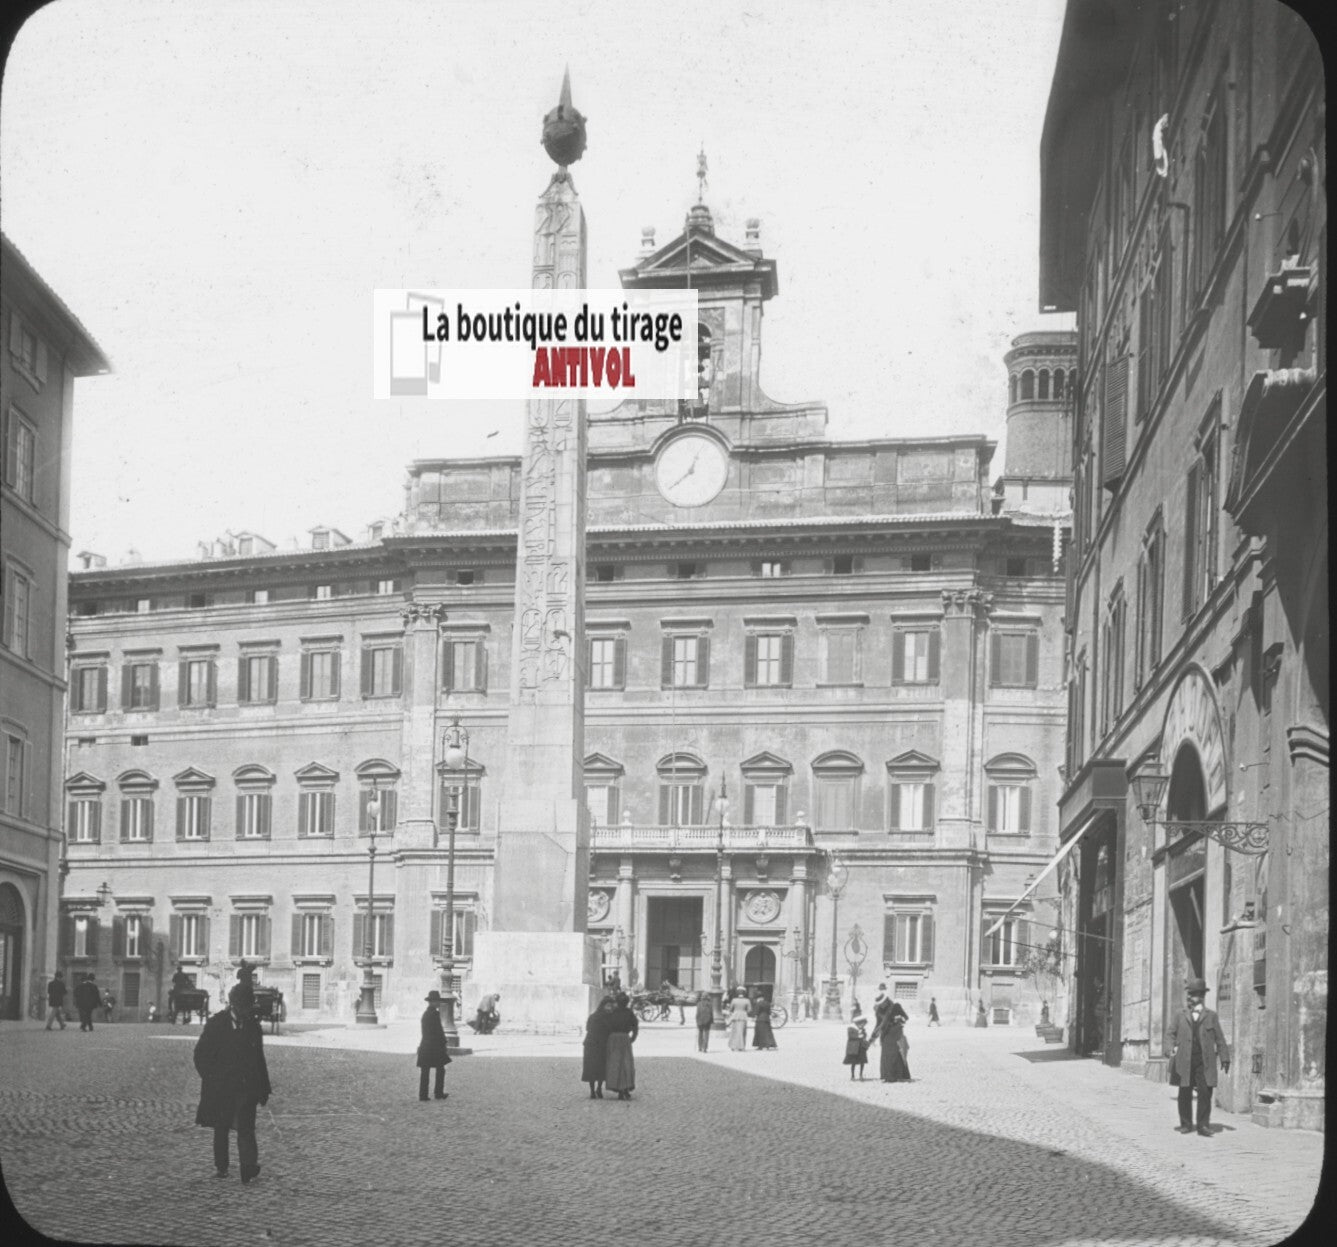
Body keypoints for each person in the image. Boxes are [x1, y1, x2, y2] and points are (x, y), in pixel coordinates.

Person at [194, 984, 272, 1183]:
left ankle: (248, 1168)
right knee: (221, 1127)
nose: (247, 1011)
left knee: (246, 1127)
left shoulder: (253, 1026)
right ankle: (222, 1167)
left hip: (246, 1086)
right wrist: (211, 1078)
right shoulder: (216, 1024)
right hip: (221, 1086)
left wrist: (264, 1087)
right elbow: (200, 1054)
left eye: (249, 1006)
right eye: (244, 1006)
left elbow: (258, 1059)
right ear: (234, 1004)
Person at [1170, 977, 1230, 1137]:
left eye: (1194, 994)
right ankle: (1186, 1124)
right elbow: (1170, 1034)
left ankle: (1203, 1125)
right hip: (1184, 1060)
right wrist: (1170, 1049)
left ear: (1202, 996)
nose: (1190, 997)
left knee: (1205, 1092)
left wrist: (1225, 1056)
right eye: (1189, 993)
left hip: (1205, 1060)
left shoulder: (1211, 1016)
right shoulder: (1179, 1015)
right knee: (1185, 1092)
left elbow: (1220, 1038)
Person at [417, 990, 452, 1101]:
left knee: (425, 1071)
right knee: (440, 1069)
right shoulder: (433, 1014)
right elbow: (438, 1031)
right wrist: (443, 1042)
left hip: (426, 1046)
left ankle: (423, 1095)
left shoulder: (427, 1014)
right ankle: (438, 1093)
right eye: (436, 1001)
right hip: (433, 1047)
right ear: (431, 1002)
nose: (438, 1003)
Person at [604, 991, 639, 1100]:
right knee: (626, 1063)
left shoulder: (612, 1013)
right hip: (624, 1038)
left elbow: (606, 1026)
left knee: (615, 1063)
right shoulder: (629, 1013)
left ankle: (618, 1087)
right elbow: (635, 1026)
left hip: (613, 1038)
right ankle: (625, 1087)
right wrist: (633, 1038)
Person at [872, 994, 911, 1082]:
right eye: (880, 1004)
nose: (881, 1005)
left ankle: (899, 1075)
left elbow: (906, 1017)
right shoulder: (879, 1011)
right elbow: (878, 1024)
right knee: (886, 1054)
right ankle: (888, 1076)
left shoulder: (895, 1007)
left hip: (896, 1032)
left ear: (886, 1001)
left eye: (882, 1003)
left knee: (896, 1054)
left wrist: (899, 1018)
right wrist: (873, 1037)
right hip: (885, 1034)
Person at [582, 996, 615, 1097]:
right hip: (596, 1045)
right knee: (597, 1067)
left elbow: (587, 1028)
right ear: (604, 1006)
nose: (609, 1008)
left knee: (596, 1067)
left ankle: (596, 1090)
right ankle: (595, 1090)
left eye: (610, 1006)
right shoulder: (608, 1018)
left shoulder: (593, 1016)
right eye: (608, 1006)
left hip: (594, 1044)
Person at [843, 1015, 869, 1080]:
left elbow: (865, 1035)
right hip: (854, 1048)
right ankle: (852, 1075)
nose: (863, 1025)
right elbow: (850, 1036)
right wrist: (858, 1036)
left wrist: (863, 1035)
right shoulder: (851, 1028)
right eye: (863, 1023)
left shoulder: (862, 1029)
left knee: (862, 1061)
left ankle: (861, 1075)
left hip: (861, 1047)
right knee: (853, 1062)